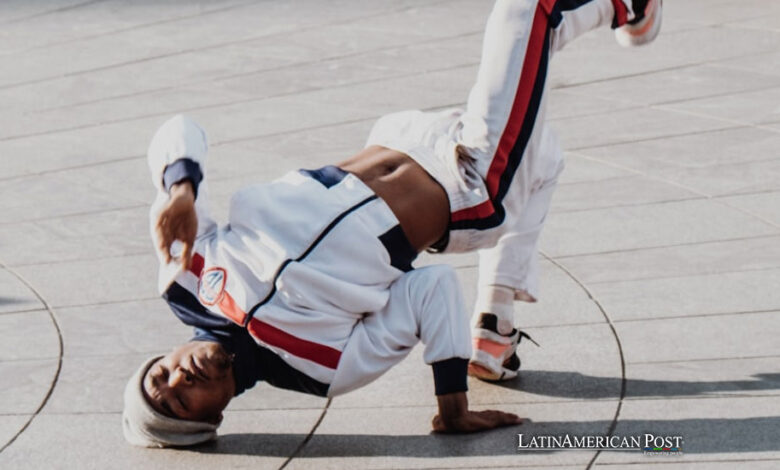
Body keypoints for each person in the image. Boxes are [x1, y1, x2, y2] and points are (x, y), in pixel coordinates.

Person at [123, 0, 662, 448]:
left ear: (159, 357)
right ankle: (630, 6)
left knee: (544, 159)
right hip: (470, 183)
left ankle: (494, 334)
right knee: (530, 11)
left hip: (403, 135)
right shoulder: (321, 369)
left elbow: (179, 127)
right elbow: (430, 289)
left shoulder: (185, 275)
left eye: (159, 376)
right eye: (179, 402)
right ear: (211, 418)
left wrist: (181, 189)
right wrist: (451, 404)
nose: (179, 379)